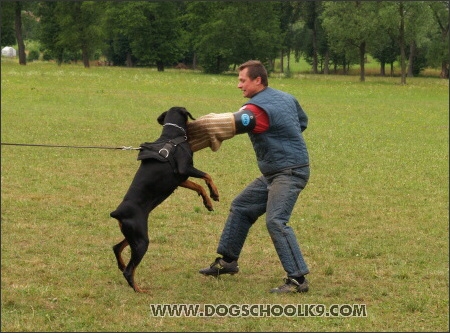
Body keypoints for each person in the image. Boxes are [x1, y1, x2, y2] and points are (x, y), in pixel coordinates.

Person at [198, 60, 311, 293]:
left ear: (257, 80)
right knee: (242, 206)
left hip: (288, 172)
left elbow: (229, 124)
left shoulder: (255, 110)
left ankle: (298, 279)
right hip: (276, 171)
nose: (239, 85)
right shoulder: (286, 97)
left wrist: (191, 132)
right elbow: (302, 122)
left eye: (243, 80)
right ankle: (228, 262)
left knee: (276, 221)